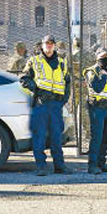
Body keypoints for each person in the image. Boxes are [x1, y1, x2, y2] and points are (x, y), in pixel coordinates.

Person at [20, 34, 74, 176]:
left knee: (56, 136)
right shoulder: (34, 61)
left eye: (51, 43)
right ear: (42, 46)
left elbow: (67, 82)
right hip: (41, 104)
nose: (49, 46)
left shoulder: (62, 63)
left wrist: (63, 100)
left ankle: (59, 166)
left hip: (56, 105)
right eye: (46, 43)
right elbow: (24, 78)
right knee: (40, 136)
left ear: (54, 46)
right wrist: (36, 90)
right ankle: (41, 166)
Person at [84, 47, 107, 174]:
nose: (106, 60)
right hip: (96, 109)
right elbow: (97, 88)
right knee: (96, 138)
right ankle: (92, 165)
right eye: (103, 57)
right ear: (97, 57)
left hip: (106, 109)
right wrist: (105, 76)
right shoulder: (91, 71)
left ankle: (101, 163)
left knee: (105, 139)